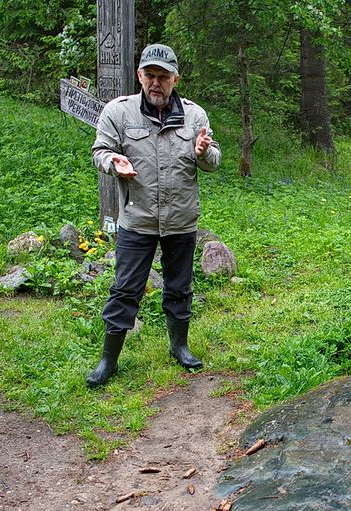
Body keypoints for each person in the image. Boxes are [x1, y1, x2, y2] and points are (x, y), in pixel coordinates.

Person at [87, 43, 221, 388]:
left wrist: (204, 153)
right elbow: (100, 151)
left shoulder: (195, 116)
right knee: (125, 290)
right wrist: (113, 162)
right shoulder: (118, 112)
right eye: (150, 75)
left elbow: (213, 161)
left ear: (175, 79)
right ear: (139, 76)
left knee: (179, 289)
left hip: (181, 221)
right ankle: (108, 360)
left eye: (163, 77)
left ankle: (180, 347)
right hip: (137, 220)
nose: (156, 83)